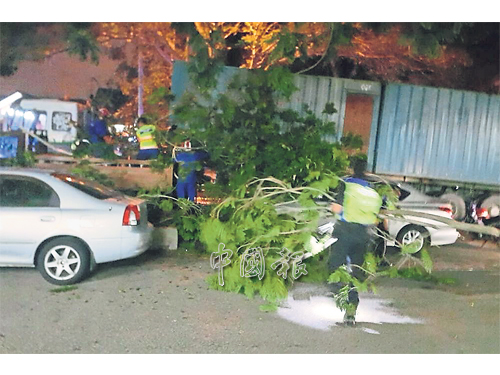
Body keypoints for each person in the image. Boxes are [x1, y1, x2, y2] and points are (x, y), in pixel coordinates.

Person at [328, 157, 383, 326]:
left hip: (344, 232)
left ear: (351, 169)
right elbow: (377, 218)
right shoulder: (371, 189)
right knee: (355, 271)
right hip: (363, 235)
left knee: (334, 267)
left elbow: (337, 208)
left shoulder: (346, 184)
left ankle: (340, 297)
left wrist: (331, 207)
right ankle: (351, 312)